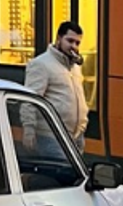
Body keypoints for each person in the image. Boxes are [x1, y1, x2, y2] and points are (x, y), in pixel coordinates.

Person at [24, 21, 89, 152]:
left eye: (77, 43)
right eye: (70, 41)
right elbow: (29, 100)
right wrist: (28, 129)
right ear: (58, 38)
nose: (74, 46)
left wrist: (81, 129)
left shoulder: (75, 67)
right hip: (51, 135)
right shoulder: (41, 64)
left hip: (74, 137)